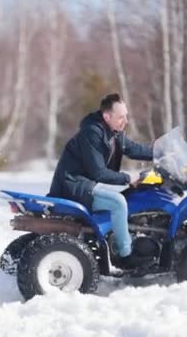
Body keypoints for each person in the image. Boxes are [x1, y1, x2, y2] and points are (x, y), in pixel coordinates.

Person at [48, 93, 153, 269]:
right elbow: (98, 172)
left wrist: (161, 152)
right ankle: (126, 255)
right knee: (118, 202)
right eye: (121, 117)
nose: (125, 121)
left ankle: (123, 238)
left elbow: (133, 149)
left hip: (85, 184)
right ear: (107, 116)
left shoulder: (113, 131)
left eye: (126, 116)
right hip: (73, 186)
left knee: (129, 196)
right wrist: (128, 178)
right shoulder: (92, 133)